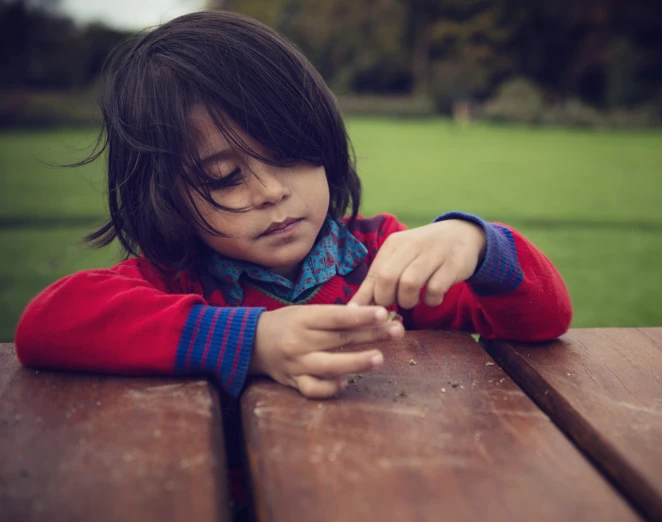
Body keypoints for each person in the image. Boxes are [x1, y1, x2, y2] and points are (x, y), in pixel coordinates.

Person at [14, 11, 572, 402]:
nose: (270, 192)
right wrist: (253, 342)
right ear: (167, 199)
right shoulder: (177, 282)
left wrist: (476, 243)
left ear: (325, 146)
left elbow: (545, 319)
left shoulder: (381, 262)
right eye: (225, 177)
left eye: (289, 157)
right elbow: (46, 324)